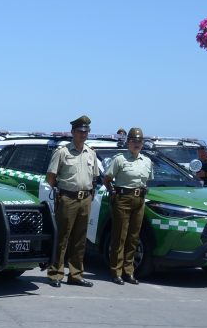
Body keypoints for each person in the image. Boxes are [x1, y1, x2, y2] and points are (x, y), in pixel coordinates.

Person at [45, 115, 99, 288]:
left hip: (85, 199)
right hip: (67, 198)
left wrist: (89, 195)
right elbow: (51, 177)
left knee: (80, 239)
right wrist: (61, 193)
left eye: (86, 131)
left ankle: (76, 274)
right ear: (73, 132)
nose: (83, 134)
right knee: (62, 237)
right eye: (80, 131)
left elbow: (94, 177)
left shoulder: (91, 153)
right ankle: (55, 273)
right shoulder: (62, 152)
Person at [103, 127, 152, 285]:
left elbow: (147, 180)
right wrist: (112, 193)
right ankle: (115, 271)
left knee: (133, 237)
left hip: (139, 200)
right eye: (133, 141)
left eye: (139, 141)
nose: (136, 144)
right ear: (128, 142)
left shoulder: (147, 161)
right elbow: (107, 179)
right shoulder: (119, 159)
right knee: (120, 236)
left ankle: (128, 272)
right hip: (123, 198)